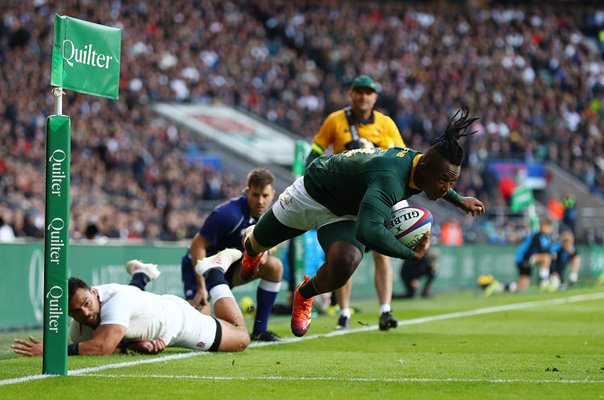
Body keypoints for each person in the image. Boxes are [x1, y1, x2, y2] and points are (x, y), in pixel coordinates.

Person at [241, 106, 485, 337]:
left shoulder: (421, 167)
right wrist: (411, 255)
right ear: (425, 168)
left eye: (452, 183)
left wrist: (458, 198)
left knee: (346, 263)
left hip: (346, 211)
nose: (446, 187)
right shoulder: (390, 178)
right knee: (257, 242)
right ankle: (252, 252)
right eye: (444, 181)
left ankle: (304, 294)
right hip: (311, 194)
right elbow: (367, 230)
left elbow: (436, 179)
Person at [305, 74, 407, 331]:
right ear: (351, 94)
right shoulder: (335, 120)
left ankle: (385, 310)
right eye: (358, 92)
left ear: (375, 97)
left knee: (382, 254)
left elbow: (403, 156)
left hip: (377, 197)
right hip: (345, 197)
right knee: (344, 254)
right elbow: (316, 151)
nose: (363, 96)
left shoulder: (386, 124)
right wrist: (310, 178)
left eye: (368, 92)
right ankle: (344, 312)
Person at [12, 255, 250, 356]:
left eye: (86, 303)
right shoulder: (78, 329)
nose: (84, 313)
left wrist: (51, 351)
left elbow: (101, 347)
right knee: (132, 295)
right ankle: (141, 274)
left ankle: (215, 269)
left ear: (94, 292)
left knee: (240, 337)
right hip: (153, 307)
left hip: (178, 320)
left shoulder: (116, 302)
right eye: (75, 311)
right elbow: (106, 346)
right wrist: (134, 346)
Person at [181, 168, 283, 342]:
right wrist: (201, 287)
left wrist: (265, 251)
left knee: (274, 267)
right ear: (247, 191)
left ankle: (260, 330)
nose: (260, 201)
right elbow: (197, 245)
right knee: (199, 328)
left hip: (231, 269)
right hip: (204, 270)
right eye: (255, 195)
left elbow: (277, 240)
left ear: (272, 195)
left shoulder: (269, 215)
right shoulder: (227, 214)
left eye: (265, 196)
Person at [514, 217, 554, 291]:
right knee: (546, 258)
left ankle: (505, 287)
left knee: (523, 285)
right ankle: (544, 282)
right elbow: (540, 250)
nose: (549, 229)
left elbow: (548, 251)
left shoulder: (548, 238)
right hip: (524, 259)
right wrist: (550, 254)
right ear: (542, 226)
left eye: (550, 227)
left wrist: (552, 254)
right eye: (547, 226)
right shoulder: (536, 236)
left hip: (532, 259)